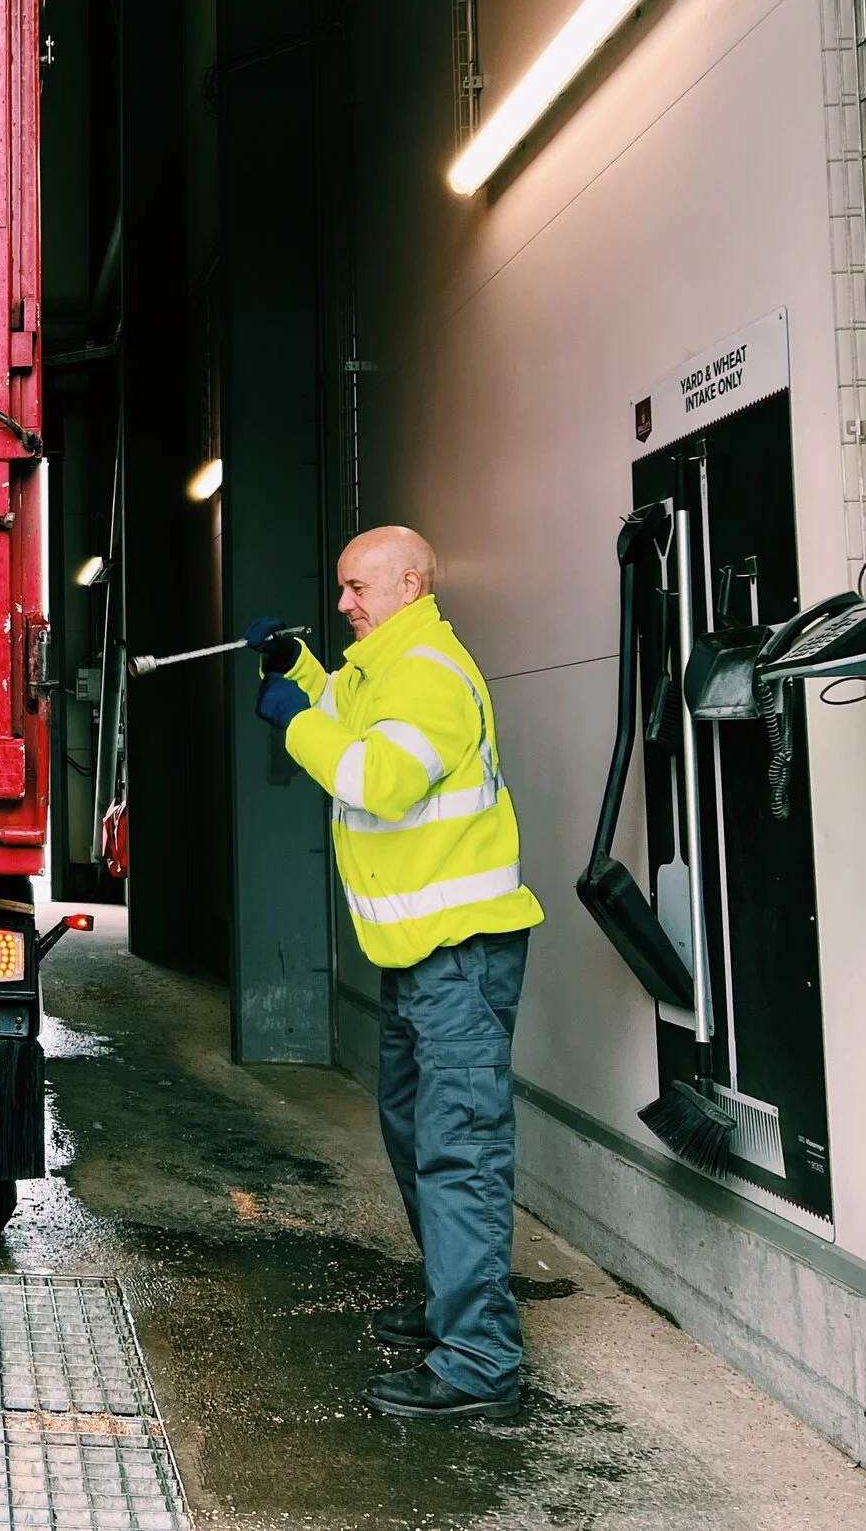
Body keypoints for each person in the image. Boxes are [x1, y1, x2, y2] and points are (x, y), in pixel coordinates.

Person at [248, 525, 543, 1422]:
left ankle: (481, 1360)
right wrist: (298, 672)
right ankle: (455, 1304)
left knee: (459, 1153)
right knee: (420, 1138)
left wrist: (294, 723)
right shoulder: (381, 667)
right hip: (421, 960)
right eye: (340, 588)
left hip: (459, 957)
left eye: (356, 587)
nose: (343, 603)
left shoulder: (430, 675)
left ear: (410, 584)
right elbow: (343, 709)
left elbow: (375, 778)